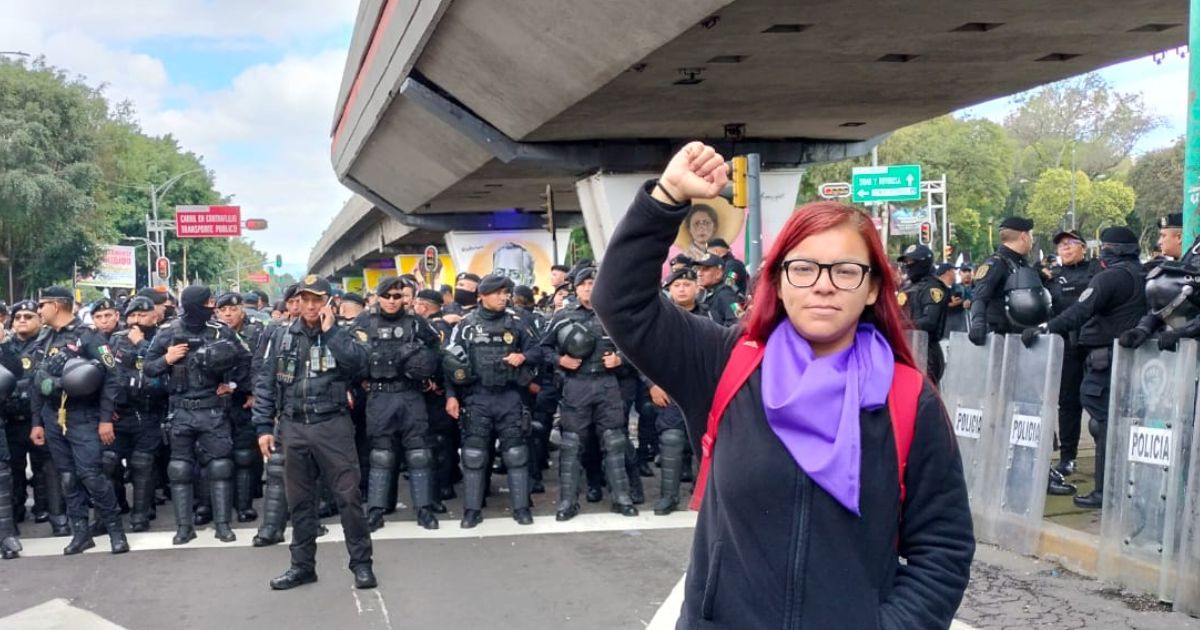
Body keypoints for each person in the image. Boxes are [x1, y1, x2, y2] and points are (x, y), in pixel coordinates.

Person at [592, 142, 973, 628]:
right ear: (780, 279)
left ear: (874, 286)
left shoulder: (905, 397)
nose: (823, 284)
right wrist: (667, 197)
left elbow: (943, 545)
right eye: (804, 267)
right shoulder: (723, 364)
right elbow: (622, 302)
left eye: (846, 270)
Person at [254, 274, 376, 590]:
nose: (310, 305)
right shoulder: (281, 336)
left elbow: (360, 365)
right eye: (304, 299)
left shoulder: (346, 333)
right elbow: (266, 383)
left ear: (328, 302)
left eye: (317, 299)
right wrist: (264, 426)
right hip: (293, 427)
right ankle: (302, 566)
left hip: (331, 425)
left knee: (348, 497)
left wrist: (331, 332)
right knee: (300, 502)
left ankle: (362, 565)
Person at [1024, 227, 1146, 510]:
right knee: (1086, 412)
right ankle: (1095, 472)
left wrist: (1044, 329)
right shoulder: (1139, 273)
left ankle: (1106, 491)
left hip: (1104, 355)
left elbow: (1080, 311)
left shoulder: (1108, 276)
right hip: (1106, 353)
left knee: (1104, 423)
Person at [27, 287, 130, 555]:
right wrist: (37, 422)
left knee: (92, 476)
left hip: (83, 415)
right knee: (69, 478)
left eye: (43, 305)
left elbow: (113, 375)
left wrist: (106, 418)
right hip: (53, 417)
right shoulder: (45, 337)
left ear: (58, 305)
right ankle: (81, 534)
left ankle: (116, 532)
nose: (39, 311)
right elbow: (37, 382)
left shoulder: (88, 336)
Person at [144, 286, 249, 545]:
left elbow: (246, 359)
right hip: (180, 410)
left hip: (213, 409)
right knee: (179, 469)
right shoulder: (168, 332)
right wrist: (167, 359)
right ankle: (184, 528)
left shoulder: (220, 331)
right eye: (207, 302)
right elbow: (148, 367)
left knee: (220, 466)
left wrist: (233, 385)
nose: (212, 306)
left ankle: (222, 525)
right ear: (192, 304)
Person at [542, 267, 639, 521]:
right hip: (577, 385)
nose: (588, 288)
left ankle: (622, 497)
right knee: (572, 445)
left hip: (608, 385)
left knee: (615, 442)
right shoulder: (562, 316)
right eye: (584, 283)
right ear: (575, 287)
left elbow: (637, 346)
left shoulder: (614, 315)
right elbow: (542, 350)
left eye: (593, 283)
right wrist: (560, 360)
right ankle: (567, 502)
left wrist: (620, 359)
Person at [444, 274, 540, 528]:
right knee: (474, 456)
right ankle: (472, 511)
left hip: (509, 396)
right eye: (497, 293)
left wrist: (523, 357)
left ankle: (521, 508)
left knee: (516, 454)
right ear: (482, 296)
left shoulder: (517, 322)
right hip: (477, 397)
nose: (503, 297)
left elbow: (538, 350)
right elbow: (450, 364)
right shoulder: (465, 325)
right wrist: (452, 396)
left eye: (505, 292)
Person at [351, 276, 442, 531]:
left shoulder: (415, 323)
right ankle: (376, 512)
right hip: (379, 395)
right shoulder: (364, 322)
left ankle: (424, 510)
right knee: (381, 455)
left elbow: (436, 346)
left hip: (410, 394)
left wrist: (427, 370)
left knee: (419, 453)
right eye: (387, 296)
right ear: (378, 297)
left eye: (397, 296)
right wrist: (358, 382)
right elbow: (348, 354)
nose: (392, 301)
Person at [101, 296, 167, 532]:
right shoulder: (113, 341)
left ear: (154, 316)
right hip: (119, 414)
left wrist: (141, 344)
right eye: (133, 315)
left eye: (142, 315)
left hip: (149, 413)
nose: (137, 320)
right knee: (107, 462)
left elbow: (163, 368)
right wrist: (107, 412)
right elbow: (104, 374)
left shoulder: (163, 338)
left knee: (142, 464)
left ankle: (141, 514)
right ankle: (111, 510)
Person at [1, 300, 67, 535]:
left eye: (28, 316)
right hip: (11, 420)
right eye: (18, 317)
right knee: (13, 469)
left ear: (40, 320)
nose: (22, 320)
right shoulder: (5, 347)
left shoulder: (49, 345)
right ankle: (15, 511)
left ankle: (54, 514)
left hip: (40, 417)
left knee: (48, 466)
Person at [1044, 230, 1099, 483]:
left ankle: (1105, 456)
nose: (1064, 249)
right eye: (1061, 246)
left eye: (1070, 244)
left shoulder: (1097, 271)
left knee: (1099, 404)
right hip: (1066, 347)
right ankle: (1068, 457)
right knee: (1067, 404)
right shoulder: (1052, 278)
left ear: (1083, 248)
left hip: (1095, 345)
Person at [215, 292, 267, 523]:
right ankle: (214, 506)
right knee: (215, 457)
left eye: (232, 309)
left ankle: (244, 506)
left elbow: (262, 366)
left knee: (245, 455)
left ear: (242, 310)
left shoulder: (257, 331)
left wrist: (252, 392)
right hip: (214, 401)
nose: (228, 314)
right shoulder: (210, 332)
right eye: (223, 310)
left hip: (244, 399)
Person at [968, 217, 1048, 345]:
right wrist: (978, 323)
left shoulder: (1022, 264)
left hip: (1023, 336)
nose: (1032, 241)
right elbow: (979, 297)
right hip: (1001, 338)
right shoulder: (995, 264)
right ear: (1024, 236)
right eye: (1031, 235)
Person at [897, 245, 948, 380]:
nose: (907, 265)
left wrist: (898, 325)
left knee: (923, 396)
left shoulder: (933, 288)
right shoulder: (906, 286)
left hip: (926, 352)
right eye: (905, 262)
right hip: (905, 348)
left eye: (911, 262)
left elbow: (929, 321)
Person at [696, 253, 740, 326]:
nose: (699, 273)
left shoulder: (726, 294)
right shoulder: (702, 293)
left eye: (705, 269)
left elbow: (737, 321)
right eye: (698, 269)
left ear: (718, 274)